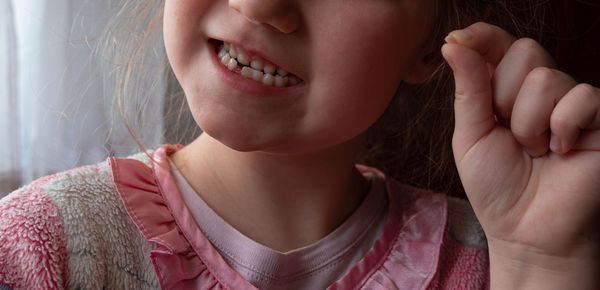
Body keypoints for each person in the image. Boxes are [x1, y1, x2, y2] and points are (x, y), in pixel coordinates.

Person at [1, 0, 599, 289]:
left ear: (427, 44)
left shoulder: (499, 262)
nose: (261, 4)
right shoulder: (35, 250)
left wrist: (544, 264)